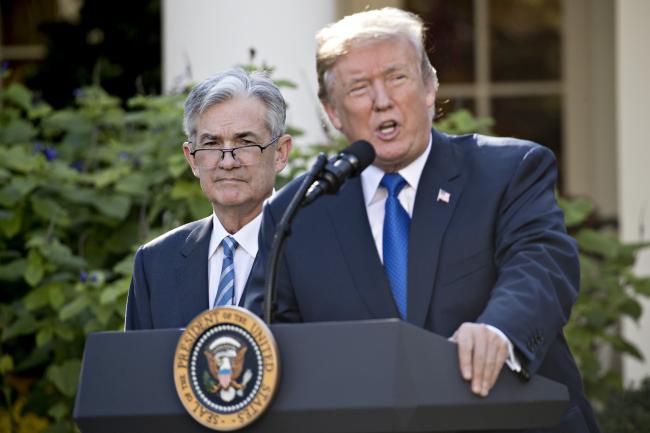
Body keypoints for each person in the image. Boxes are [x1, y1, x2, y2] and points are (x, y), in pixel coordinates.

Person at [245, 8, 598, 432]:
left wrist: (499, 332)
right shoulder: (297, 212)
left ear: (429, 86)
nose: (382, 100)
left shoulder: (508, 170)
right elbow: (269, 342)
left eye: (397, 77)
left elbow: (542, 264)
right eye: (359, 87)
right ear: (333, 112)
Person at [125, 68, 291, 330]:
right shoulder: (156, 262)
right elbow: (138, 367)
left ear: (280, 153)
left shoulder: (314, 251)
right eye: (211, 144)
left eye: (245, 142)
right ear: (192, 158)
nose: (227, 161)